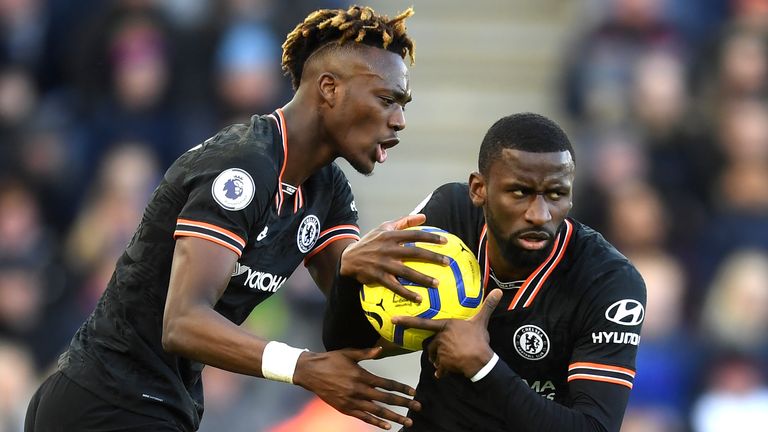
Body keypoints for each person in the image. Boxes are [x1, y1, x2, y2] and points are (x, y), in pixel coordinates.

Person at [24, 6, 448, 432]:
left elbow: (349, 328)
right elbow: (183, 321)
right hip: (101, 399)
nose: (400, 120)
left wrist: (434, 314)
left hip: (165, 402)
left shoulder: (328, 190)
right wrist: (302, 366)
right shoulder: (243, 166)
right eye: (387, 99)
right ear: (329, 88)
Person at [326, 113, 648, 431]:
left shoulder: (608, 282)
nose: (539, 214)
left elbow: (596, 427)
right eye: (520, 192)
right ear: (479, 189)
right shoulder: (447, 219)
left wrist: (484, 366)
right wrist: (348, 271)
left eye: (555, 194)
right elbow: (349, 342)